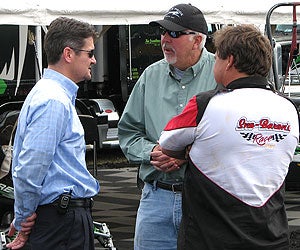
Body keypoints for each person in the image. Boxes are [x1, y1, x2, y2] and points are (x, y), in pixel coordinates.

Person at [158, 24, 300, 249]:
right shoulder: (289, 107)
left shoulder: (205, 104)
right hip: (273, 236)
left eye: (217, 58)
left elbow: (166, 142)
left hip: (211, 238)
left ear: (230, 61)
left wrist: (187, 151)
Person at [118, 3, 217, 249]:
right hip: (155, 198)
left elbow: (233, 138)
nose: (164, 40)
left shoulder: (221, 74)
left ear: (197, 41)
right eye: (162, 32)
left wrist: (186, 155)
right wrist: (152, 153)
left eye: (174, 33)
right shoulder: (150, 76)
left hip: (204, 200)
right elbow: (128, 133)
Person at [6, 17, 100, 250]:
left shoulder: (50, 94)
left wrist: (24, 215)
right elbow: (31, 167)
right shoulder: (53, 100)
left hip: (59, 217)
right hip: (60, 221)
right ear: (68, 54)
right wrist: (23, 218)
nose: (94, 60)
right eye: (89, 53)